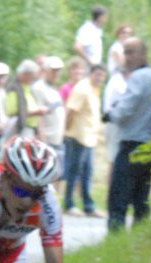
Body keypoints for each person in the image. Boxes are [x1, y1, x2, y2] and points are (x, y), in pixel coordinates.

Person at [103, 36, 151, 232]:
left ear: (143, 54)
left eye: (131, 52)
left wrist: (111, 114)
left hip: (132, 143)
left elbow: (125, 109)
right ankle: (139, 235)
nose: (127, 57)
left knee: (118, 196)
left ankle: (115, 234)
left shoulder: (139, 77)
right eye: (125, 52)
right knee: (141, 197)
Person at [62, 63, 104, 216]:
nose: (99, 78)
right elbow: (71, 110)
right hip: (78, 136)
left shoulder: (95, 89)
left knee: (87, 172)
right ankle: (69, 203)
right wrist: (66, 130)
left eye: (102, 75)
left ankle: (89, 205)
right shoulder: (82, 88)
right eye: (97, 74)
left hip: (90, 138)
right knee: (74, 171)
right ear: (91, 73)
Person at [32, 56, 65, 159]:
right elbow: (38, 116)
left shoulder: (54, 89)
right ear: (46, 70)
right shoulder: (38, 88)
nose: (56, 73)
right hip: (46, 140)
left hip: (57, 139)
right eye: (53, 70)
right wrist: (42, 139)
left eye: (58, 70)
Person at [5, 60, 45, 139]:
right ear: (25, 74)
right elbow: (12, 112)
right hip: (20, 129)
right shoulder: (13, 88)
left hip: (32, 128)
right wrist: (35, 112)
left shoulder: (29, 88)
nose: (33, 78)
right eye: (32, 75)